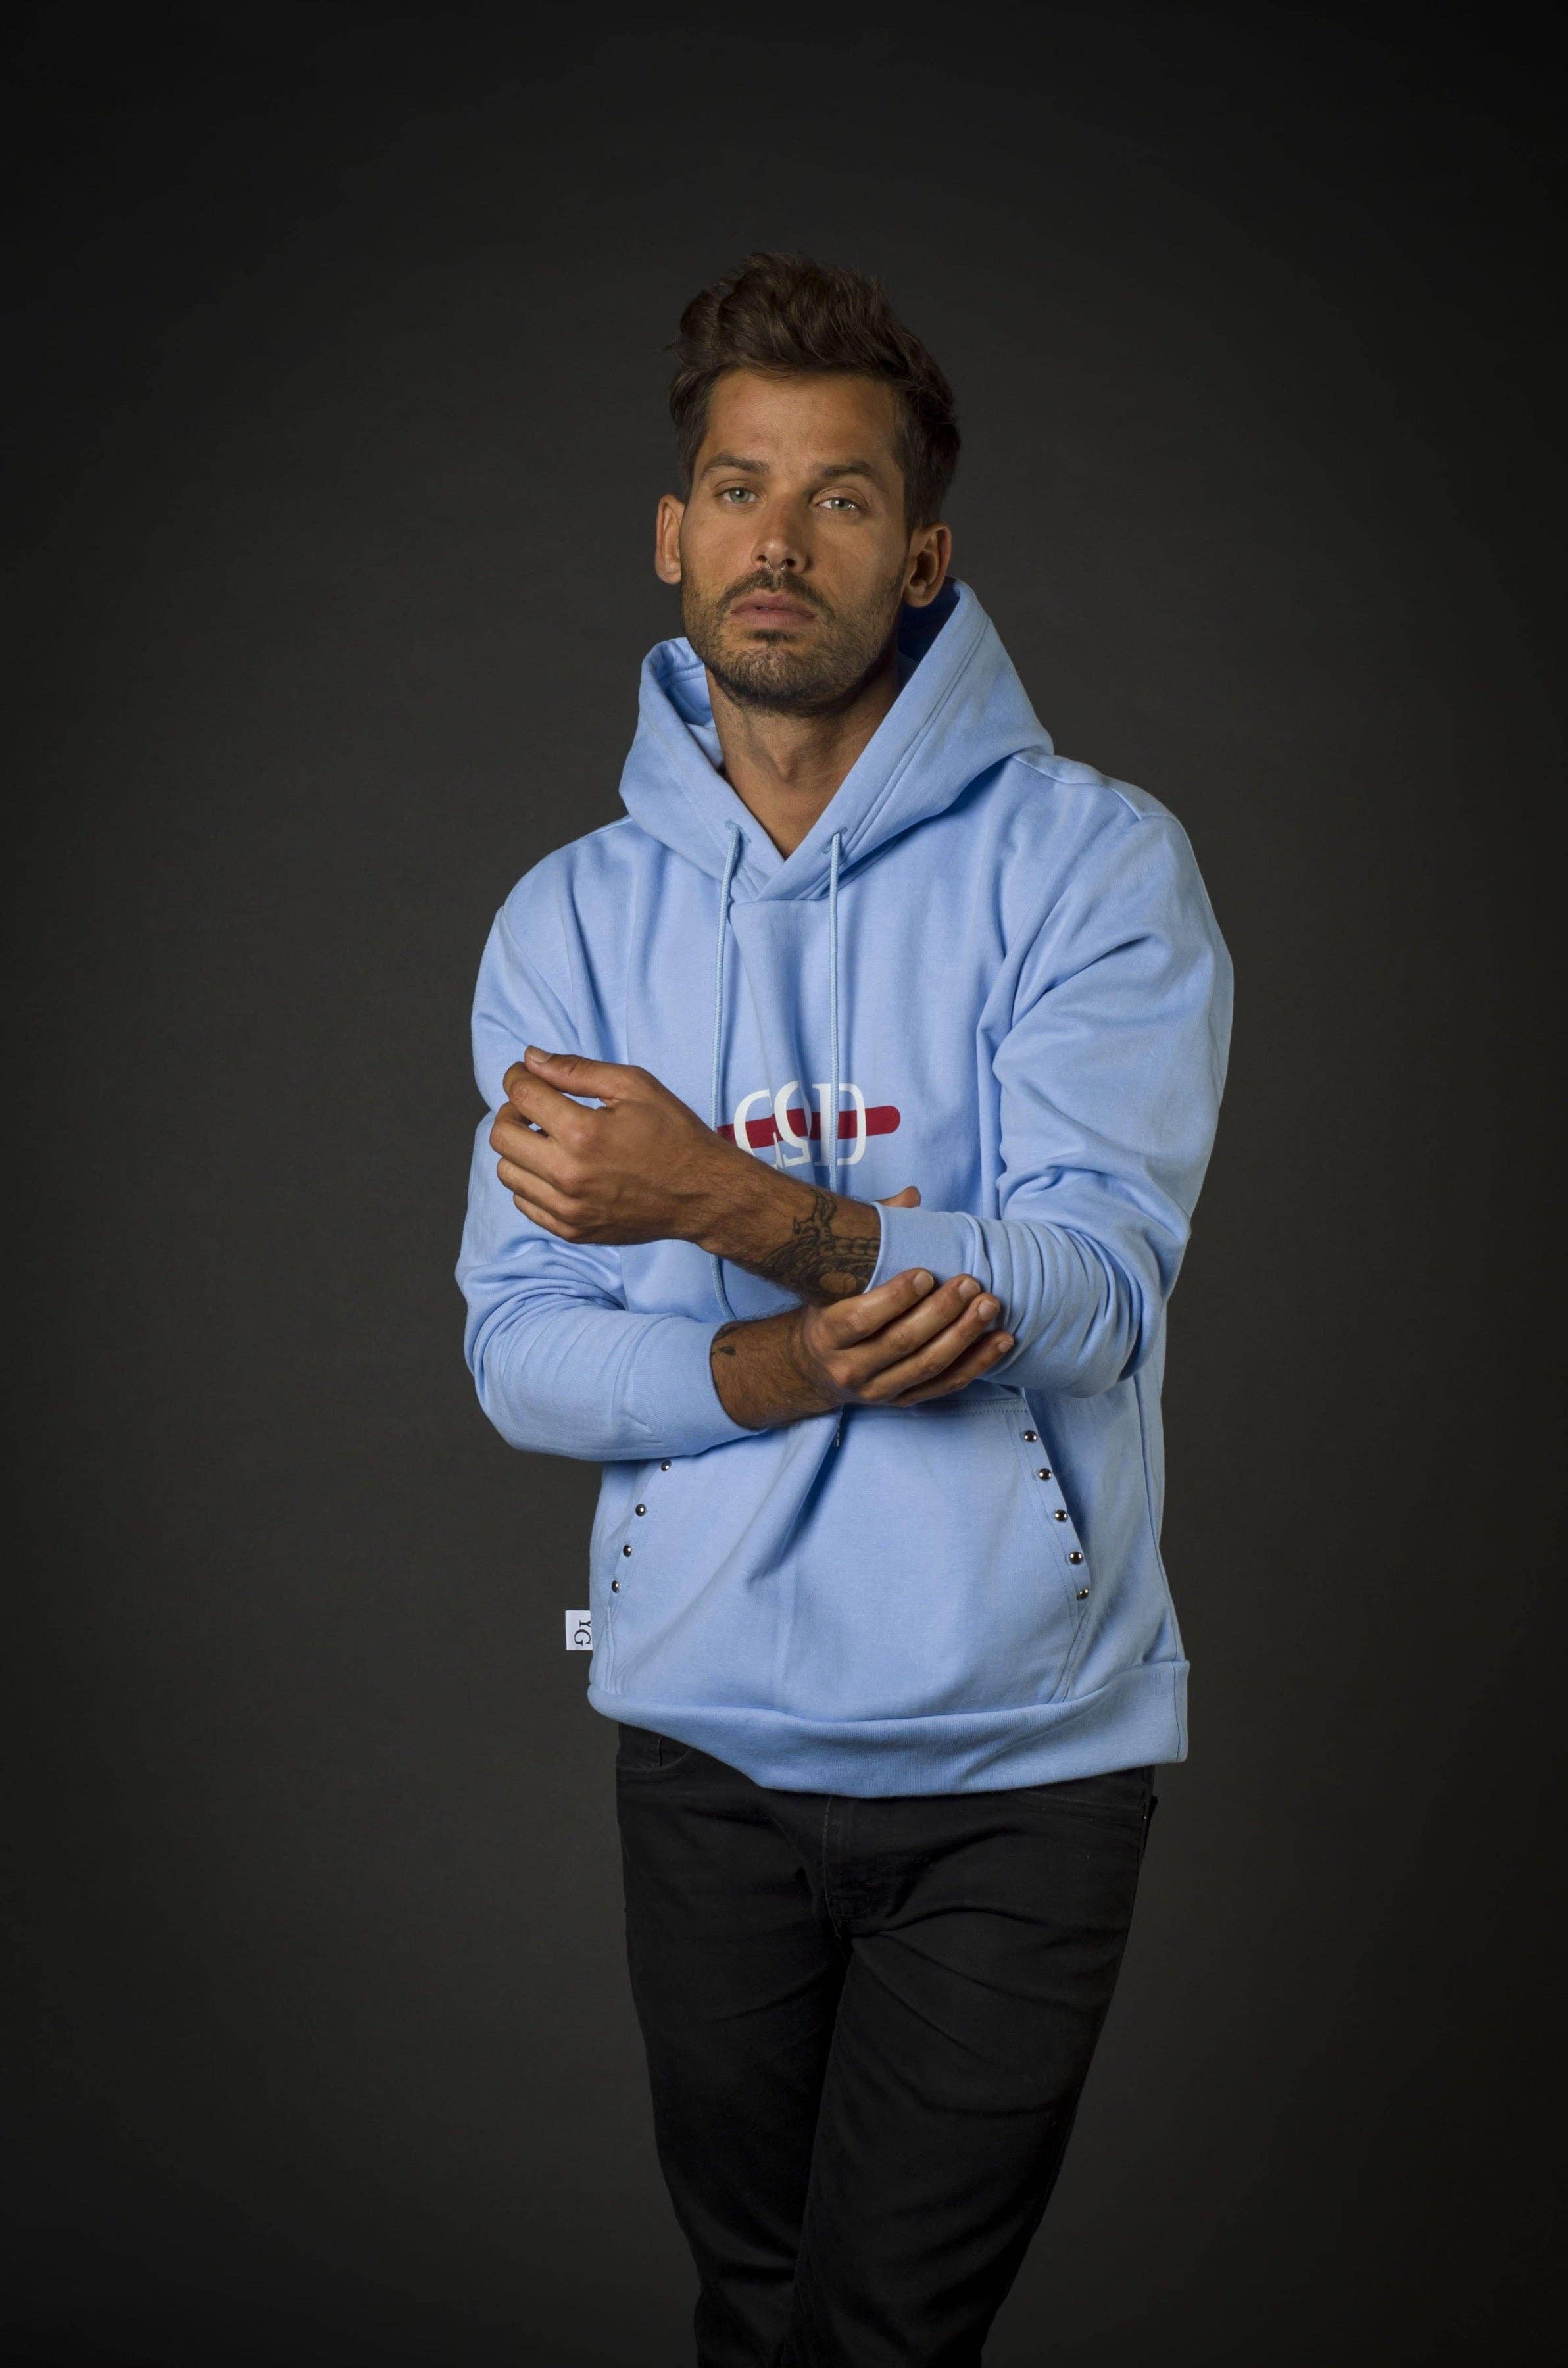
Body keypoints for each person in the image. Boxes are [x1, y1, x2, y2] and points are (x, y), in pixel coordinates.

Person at [456, 251, 1233, 2367]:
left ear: (925, 557)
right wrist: (794, 1355)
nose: (780, 541)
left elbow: (1084, 1295)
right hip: (702, 1740)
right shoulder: (569, 922)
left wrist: (716, 1199)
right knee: (754, 2314)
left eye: (843, 498)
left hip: (1027, 1760)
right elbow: (521, 1350)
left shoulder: (1094, 868)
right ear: (673, 532)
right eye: (739, 489)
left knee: (884, 2335)